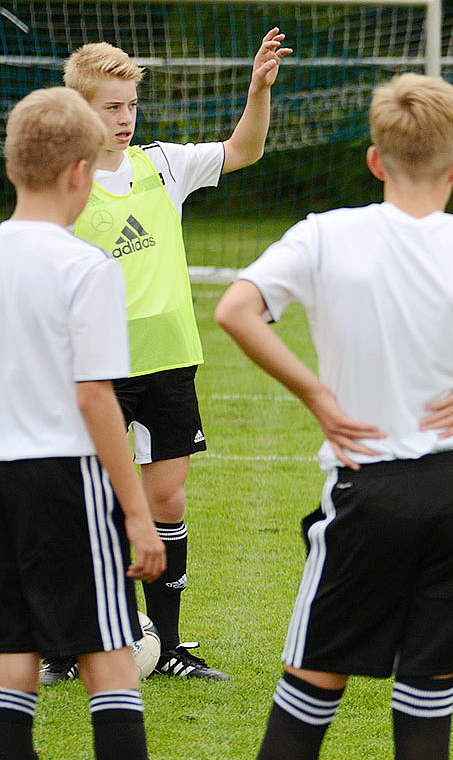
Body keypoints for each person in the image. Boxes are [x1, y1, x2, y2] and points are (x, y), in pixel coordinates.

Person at [214, 72, 453, 760]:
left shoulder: (326, 236)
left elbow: (234, 310)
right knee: (427, 691)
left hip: (366, 486)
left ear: (374, 160)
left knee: (312, 684)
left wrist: (315, 394)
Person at [42, 31, 291, 683]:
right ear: (78, 111)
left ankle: (170, 646)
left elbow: (245, 149)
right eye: (109, 108)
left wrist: (257, 92)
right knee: (90, 504)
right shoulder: (64, 187)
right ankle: (74, 644)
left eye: (130, 106)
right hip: (96, 370)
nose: (124, 120)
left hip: (170, 360)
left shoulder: (163, 165)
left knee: (168, 501)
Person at [0, 86, 168, 760]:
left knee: (13, 653)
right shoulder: (86, 268)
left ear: (15, 167)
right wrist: (135, 514)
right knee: (112, 656)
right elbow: (96, 397)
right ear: (80, 172)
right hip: (64, 479)